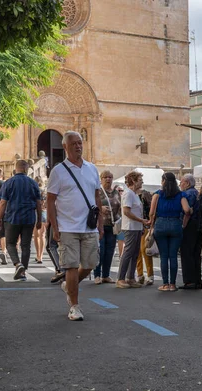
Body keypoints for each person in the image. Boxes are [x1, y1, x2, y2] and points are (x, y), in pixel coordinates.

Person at [47, 131, 103, 321]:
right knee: (71, 266)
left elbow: (97, 198)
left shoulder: (92, 168)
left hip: (89, 226)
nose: (78, 146)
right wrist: (55, 227)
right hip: (68, 227)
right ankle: (75, 307)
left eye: (80, 143)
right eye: (73, 144)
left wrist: (101, 225)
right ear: (65, 147)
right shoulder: (58, 171)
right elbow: (50, 200)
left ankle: (69, 286)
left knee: (90, 265)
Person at [0, 160, 42, 281]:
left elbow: (2, 202)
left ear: (16, 169)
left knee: (10, 243)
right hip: (29, 218)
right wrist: (39, 219)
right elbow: (38, 202)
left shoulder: (9, 182)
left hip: (12, 217)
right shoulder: (33, 183)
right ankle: (23, 272)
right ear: (27, 170)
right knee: (26, 245)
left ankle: (18, 264)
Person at [150, 172, 191, 292]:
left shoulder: (157, 195)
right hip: (175, 224)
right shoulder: (181, 195)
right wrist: (184, 222)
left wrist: (152, 223)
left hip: (160, 225)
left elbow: (152, 213)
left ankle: (165, 284)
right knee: (173, 256)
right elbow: (187, 210)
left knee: (164, 256)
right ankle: (173, 284)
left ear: (163, 181)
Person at [116, 171, 148, 289]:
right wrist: (141, 221)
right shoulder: (128, 194)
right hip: (130, 227)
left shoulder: (134, 194)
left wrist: (141, 224)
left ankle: (130, 277)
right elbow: (126, 211)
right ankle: (121, 278)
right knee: (128, 252)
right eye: (140, 180)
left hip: (136, 227)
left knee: (135, 253)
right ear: (133, 181)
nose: (142, 182)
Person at [94, 170, 121, 285]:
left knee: (110, 251)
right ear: (101, 179)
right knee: (101, 251)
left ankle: (106, 275)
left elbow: (120, 206)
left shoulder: (116, 192)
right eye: (105, 177)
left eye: (110, 177)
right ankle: (97, 275)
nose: (108, 179)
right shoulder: (98, 191)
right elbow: (91, 204)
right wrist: (101, 208)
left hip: (113, 225)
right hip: (100, 225)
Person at [179, 174, 202, 289]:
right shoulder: (197, 193)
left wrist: (183, 225)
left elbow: (187, 212)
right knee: (196, 254)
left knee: (187, 253)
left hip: (190, 226)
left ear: (187, 183)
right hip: (198, 226)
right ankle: (197, 280)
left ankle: (189, 280)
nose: (180, 184)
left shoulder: (187, 194)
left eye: (182, 182)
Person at [136, 188, 154, 285]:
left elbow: (151, 209)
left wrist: (151, 223)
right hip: (135, 225)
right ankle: (140, 275)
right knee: (137, 251)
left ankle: (150, 275)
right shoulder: (130, 194)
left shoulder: (145, 194)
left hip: (145, 224)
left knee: (144, 249)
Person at [32, 177, 46, 264]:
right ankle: (41, 256)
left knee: (36, 235)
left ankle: (38, 255)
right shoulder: (44, 191)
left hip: (34, 212)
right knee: (42, 235)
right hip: (44, 212)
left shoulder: (33, 191)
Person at [115, 185, 126, 257]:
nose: (121, 192)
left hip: (122, 221)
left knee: (122, 239)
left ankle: (122, 256)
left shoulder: (124, 198)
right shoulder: (114, 199)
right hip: (115, 221)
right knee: (120, 239)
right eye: (119, 190)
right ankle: (120, 255)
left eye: (122, 190)